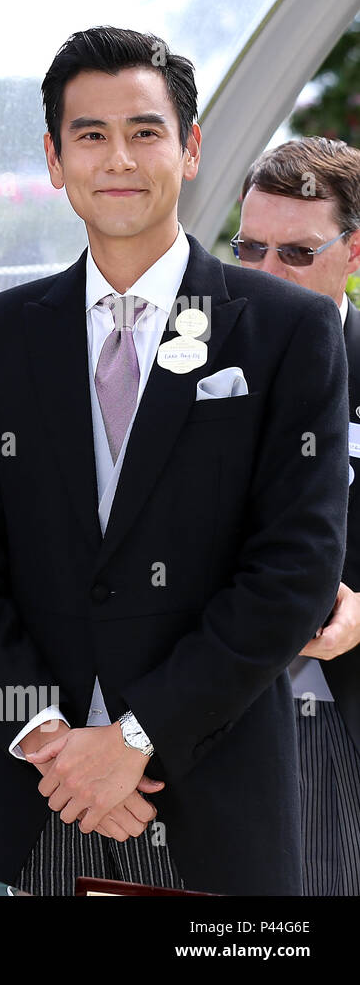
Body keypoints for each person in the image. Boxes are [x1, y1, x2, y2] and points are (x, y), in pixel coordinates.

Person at [0, 27, 347, 895]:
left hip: (220, 806)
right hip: (42, 802)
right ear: (53, 158)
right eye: (90, 134)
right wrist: (50, 741)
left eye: (145, 132)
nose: (118, 157)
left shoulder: (286, 333)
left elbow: (295, 571)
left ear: (190, 150)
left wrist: (134, 740)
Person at [236, 136, 360, 895]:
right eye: (250, 249)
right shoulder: (179, 360)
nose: (267, 274)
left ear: (354, 251)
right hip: (198, 721)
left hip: (336, 720)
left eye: (296, 253)